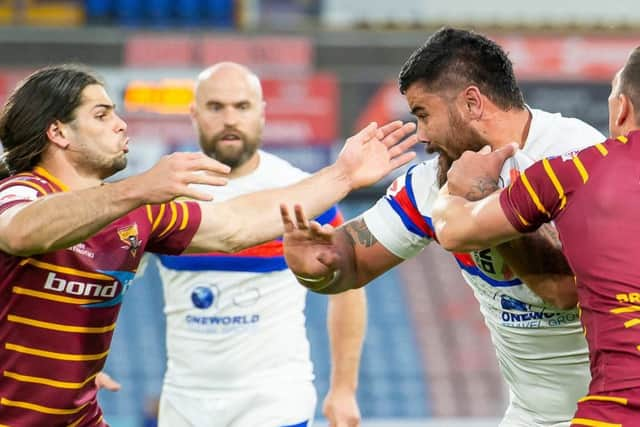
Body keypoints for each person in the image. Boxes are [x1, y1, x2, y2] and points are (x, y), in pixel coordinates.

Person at [0, 64, 416, 427]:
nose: (121, 124)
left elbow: (235, 224)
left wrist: (342, 175)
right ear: (58, 131)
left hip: (258, 400)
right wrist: (135, 190)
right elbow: (21, 231)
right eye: (102, 114)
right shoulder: (20, 191)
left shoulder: (139, 211)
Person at [279, 28, 606, 427]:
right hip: (531, 417)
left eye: (423, 114)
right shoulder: (433, 183)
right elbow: (350, 263)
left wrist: (483, 199)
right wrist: (318, 266)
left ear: (471, 102)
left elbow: (565, 289)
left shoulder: (579, 156)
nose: (422, 135)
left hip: (613, 409)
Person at [138, 62, 364, 427]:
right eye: (216, 107)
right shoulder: (164, 195)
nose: (230, 119)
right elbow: (108, 278)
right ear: (193, 114)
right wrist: (87, 365)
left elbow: (349, 288)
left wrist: (343, 388)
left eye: (242, 107)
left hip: (275, 401)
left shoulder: (303, 191)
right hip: (185, 404)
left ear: (261, 113)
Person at [431, 46, 640, 427]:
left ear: (621, 109)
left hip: (620, 410)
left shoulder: (579, 167)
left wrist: (458, 186)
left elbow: (453, 230)